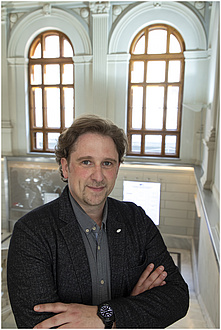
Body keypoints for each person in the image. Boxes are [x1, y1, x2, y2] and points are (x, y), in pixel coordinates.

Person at [7, 115, 189, 329]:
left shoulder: (136, 219)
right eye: (86, 162)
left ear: (117, 168)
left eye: (107, 163)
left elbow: (177, 297)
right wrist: (132, 308)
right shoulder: (32, 232)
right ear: (65, 168)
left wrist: (105, 315)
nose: (98, 175)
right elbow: (38, 324)